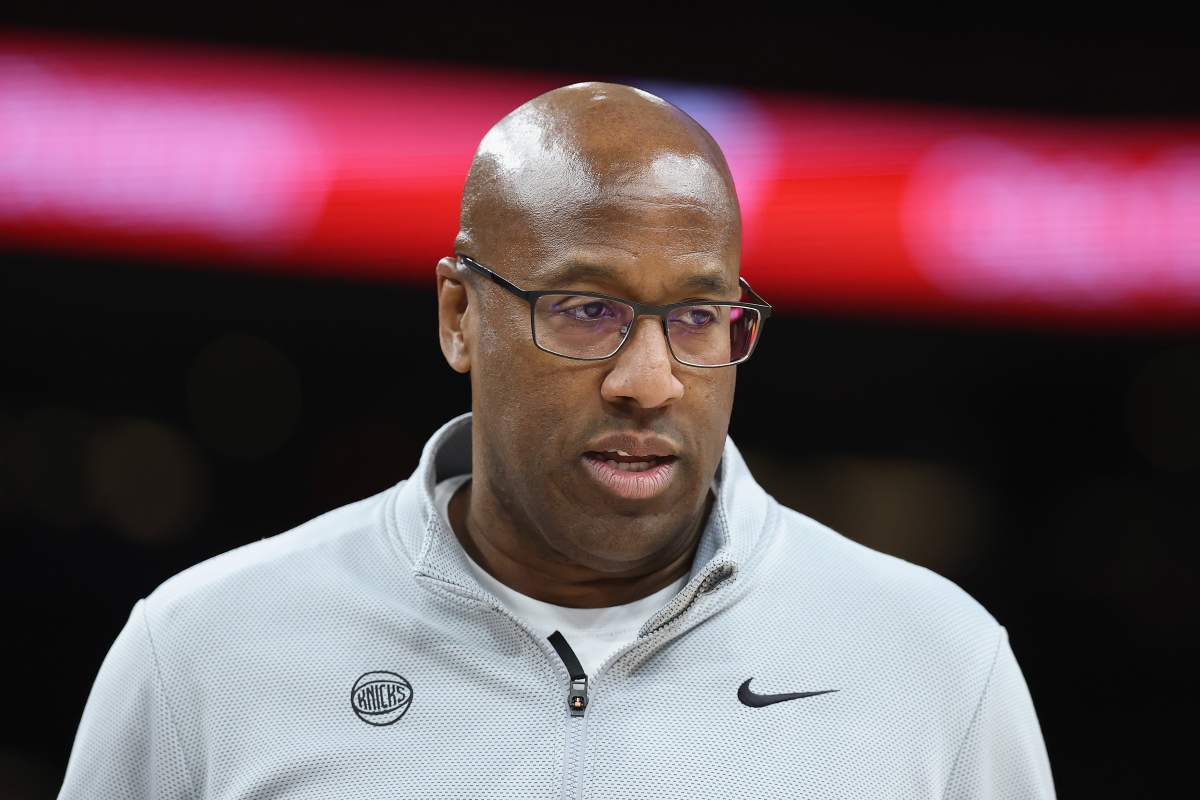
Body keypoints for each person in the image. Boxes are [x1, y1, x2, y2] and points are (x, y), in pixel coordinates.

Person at [59, 82, 1055, 799]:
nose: (650, 380)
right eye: (586, 309)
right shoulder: (203, 650)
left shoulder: (935, 662)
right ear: (460, 316)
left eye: (698, 317)